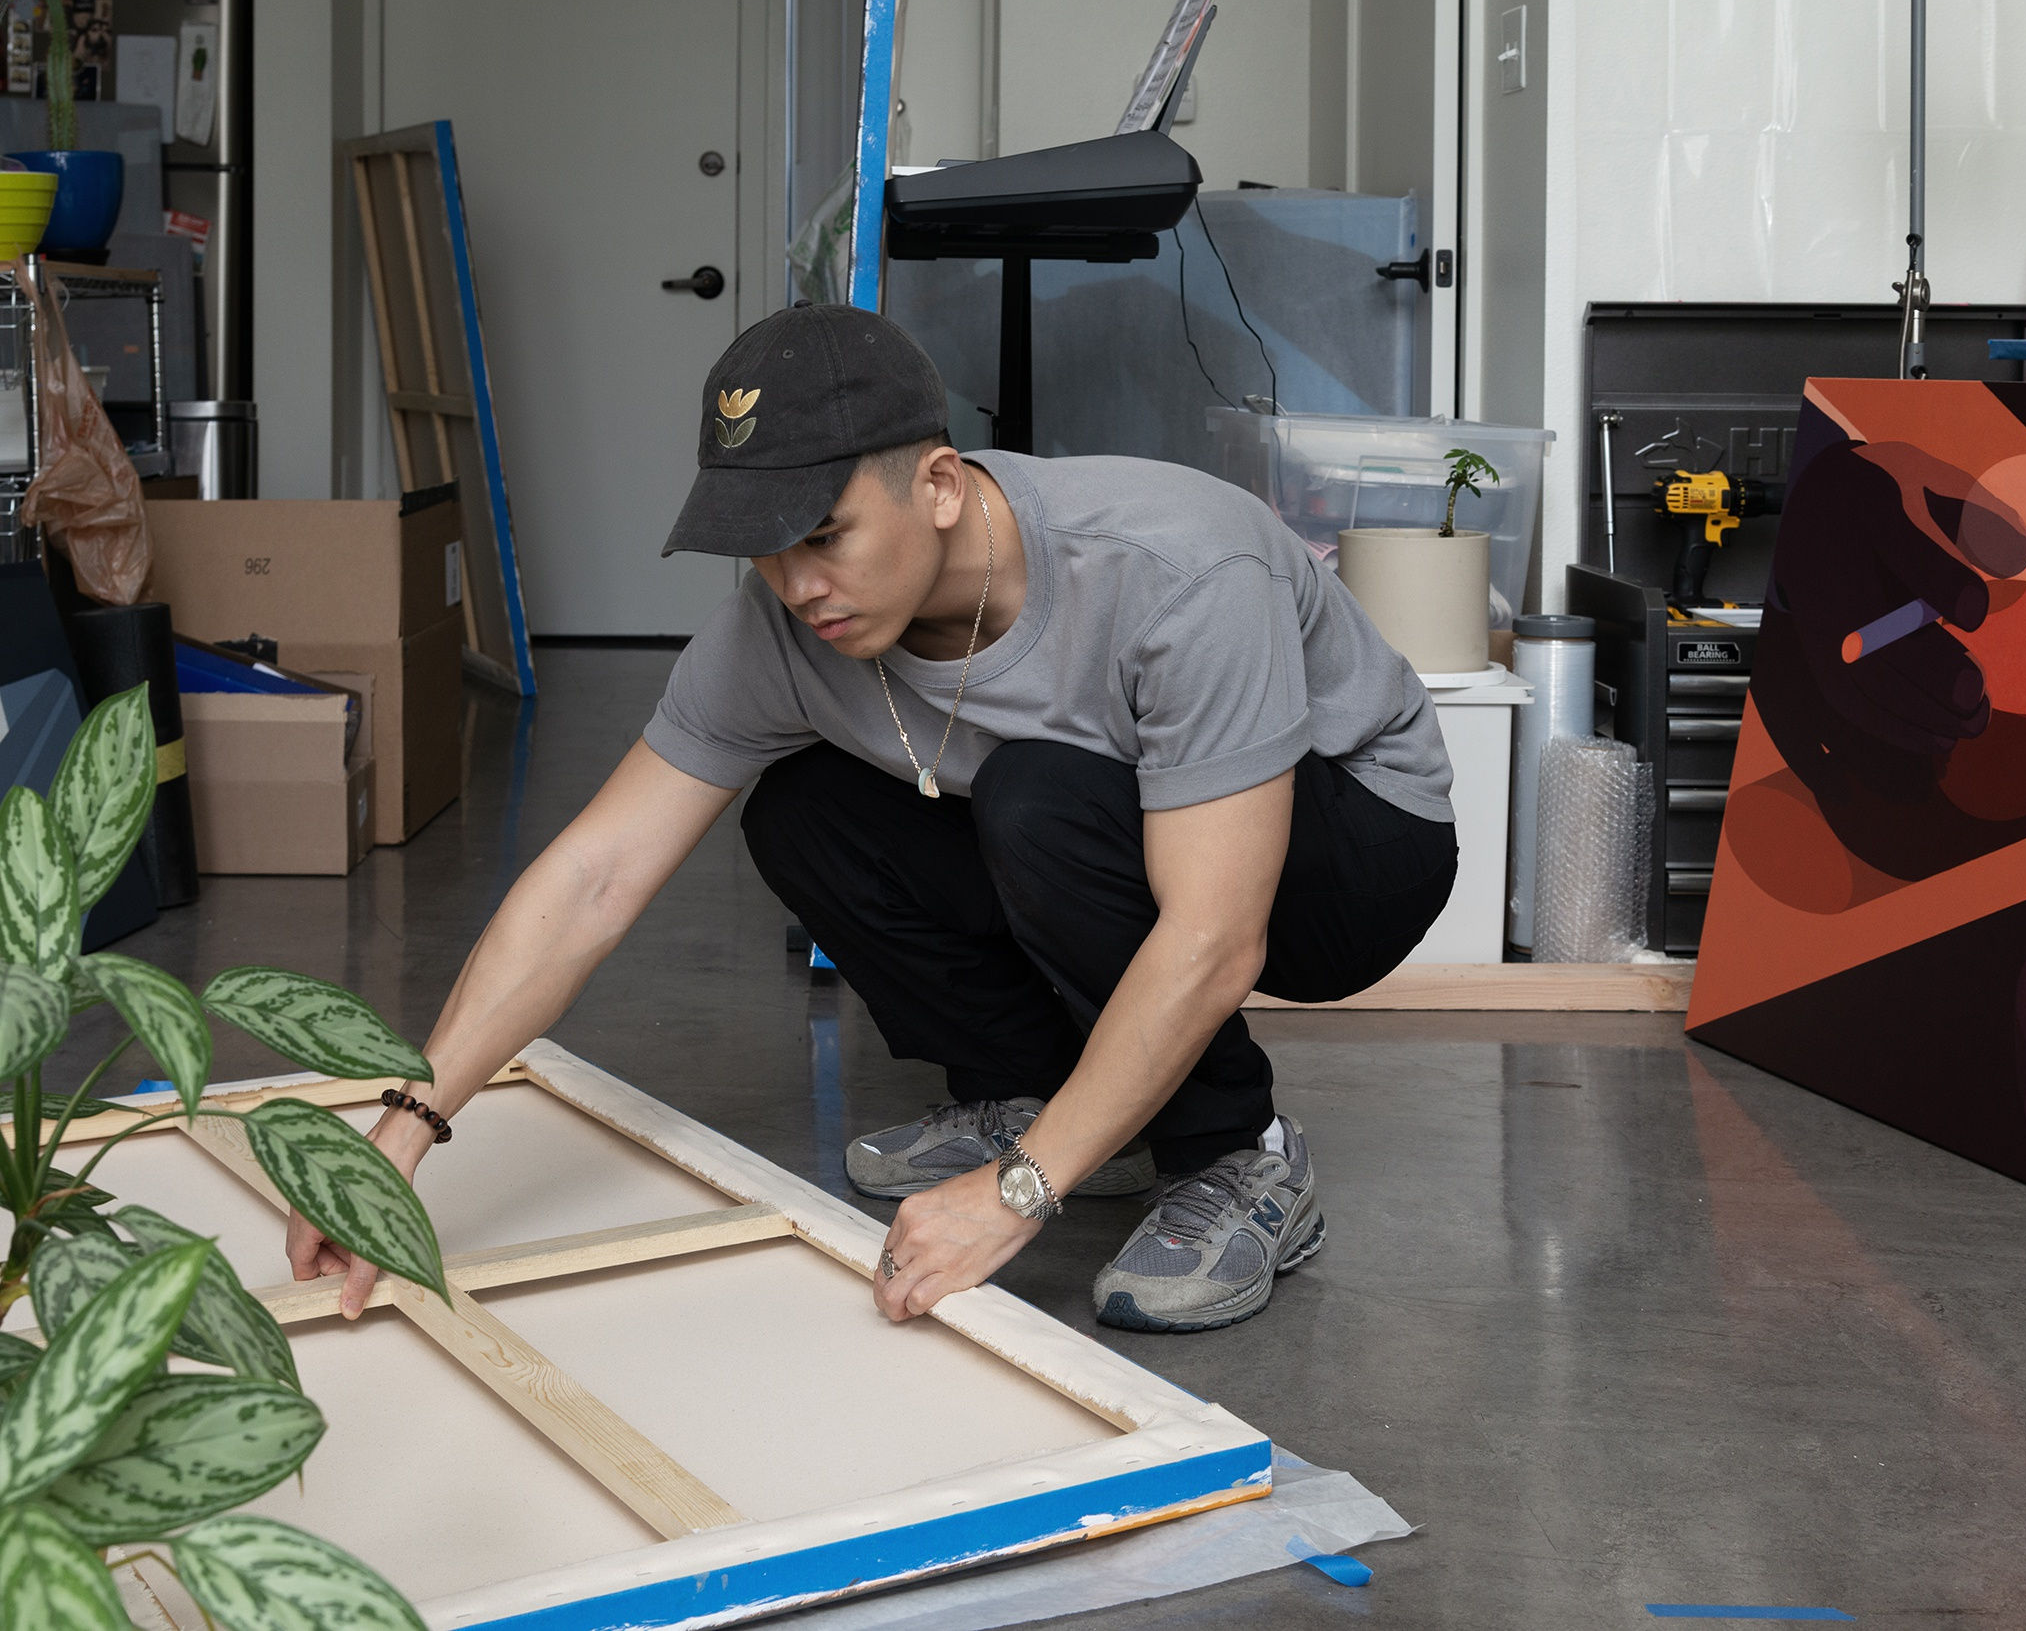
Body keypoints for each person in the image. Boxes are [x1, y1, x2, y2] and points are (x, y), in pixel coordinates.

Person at [287, 304, 1458, 1334]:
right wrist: (406, 1122)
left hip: (1352, 841)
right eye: (764, 548)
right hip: (1105, 818)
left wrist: (1018, 1195)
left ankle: (1234, 1156)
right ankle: (1043, 1089)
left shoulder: (1174, 564)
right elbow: (596, 872)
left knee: (1038, 798)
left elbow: (1214, 935)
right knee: (803, 813)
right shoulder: (778, 631)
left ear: (939, 486)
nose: (799, 585)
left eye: (825, 535)